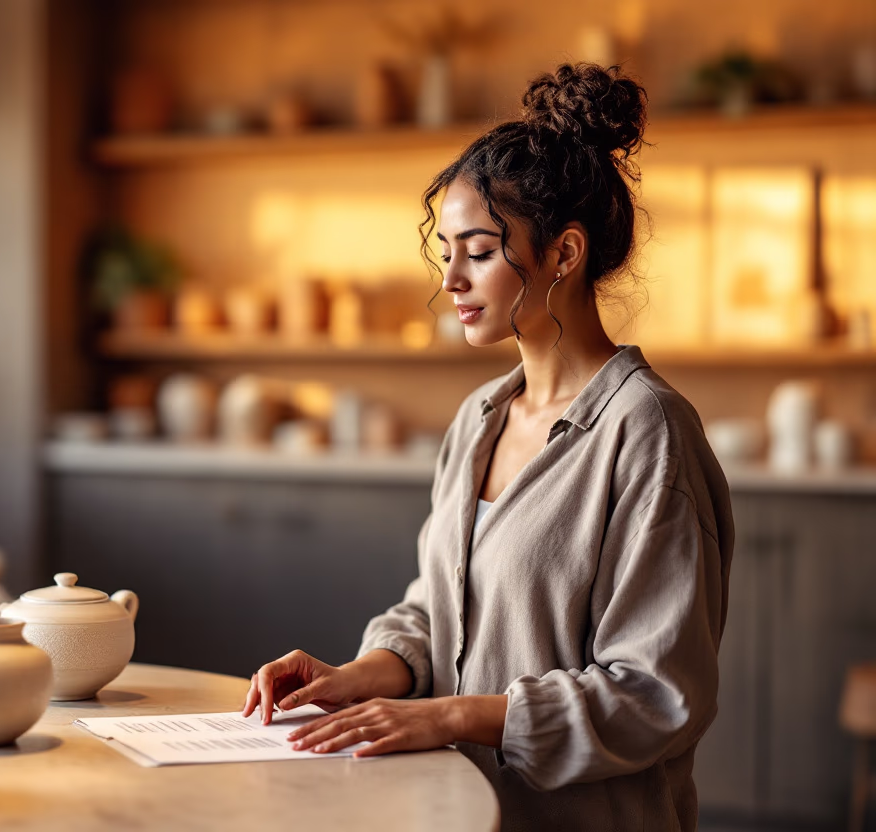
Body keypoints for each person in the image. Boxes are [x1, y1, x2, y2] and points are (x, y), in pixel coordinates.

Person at [242, 62, 734, 832]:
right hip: (458, 812)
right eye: (447, 251)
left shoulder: (648, 433)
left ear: (563, 255)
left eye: (478, 251)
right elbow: (441, 612)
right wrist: (361, 676)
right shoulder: (479, 417)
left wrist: (449, 718)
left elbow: (653, 694)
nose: (452, 281)